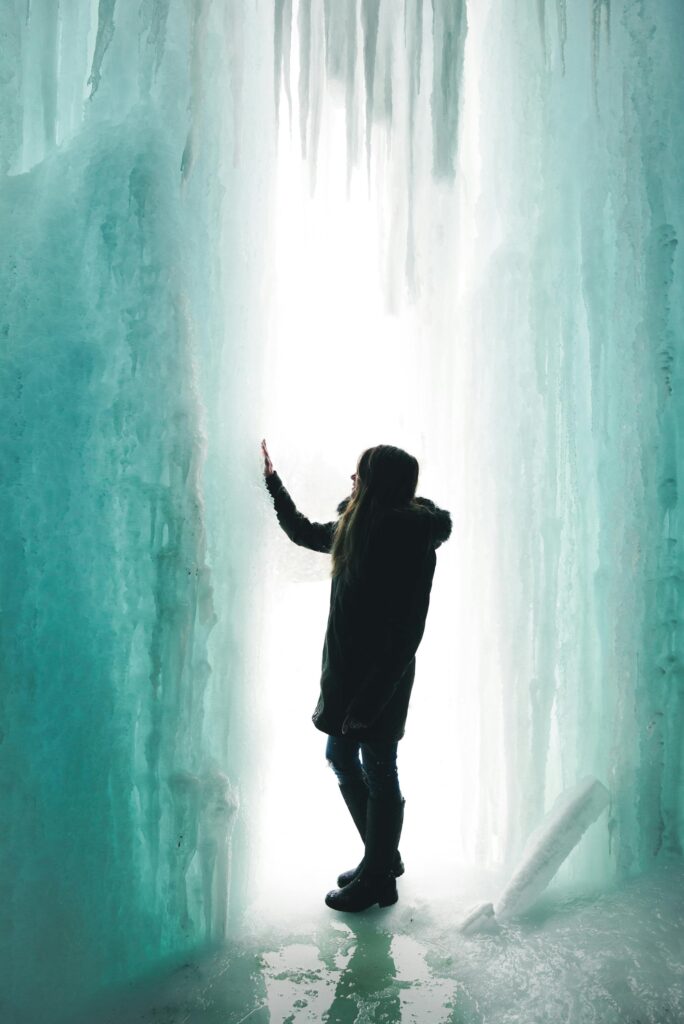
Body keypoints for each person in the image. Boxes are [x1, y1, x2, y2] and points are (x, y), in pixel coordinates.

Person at [261, 439, 451, 912]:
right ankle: (381, 860)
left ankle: (377, 876)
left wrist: (370, 702)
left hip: (379, 683)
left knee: (378, 767)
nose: (352, 480)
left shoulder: (408, 539)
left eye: (359, 474)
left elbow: (405, 633)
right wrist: (272, 482)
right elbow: (304, 532)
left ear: (376, 483)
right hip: (348, 678)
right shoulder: (358, 526)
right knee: (343, 757)